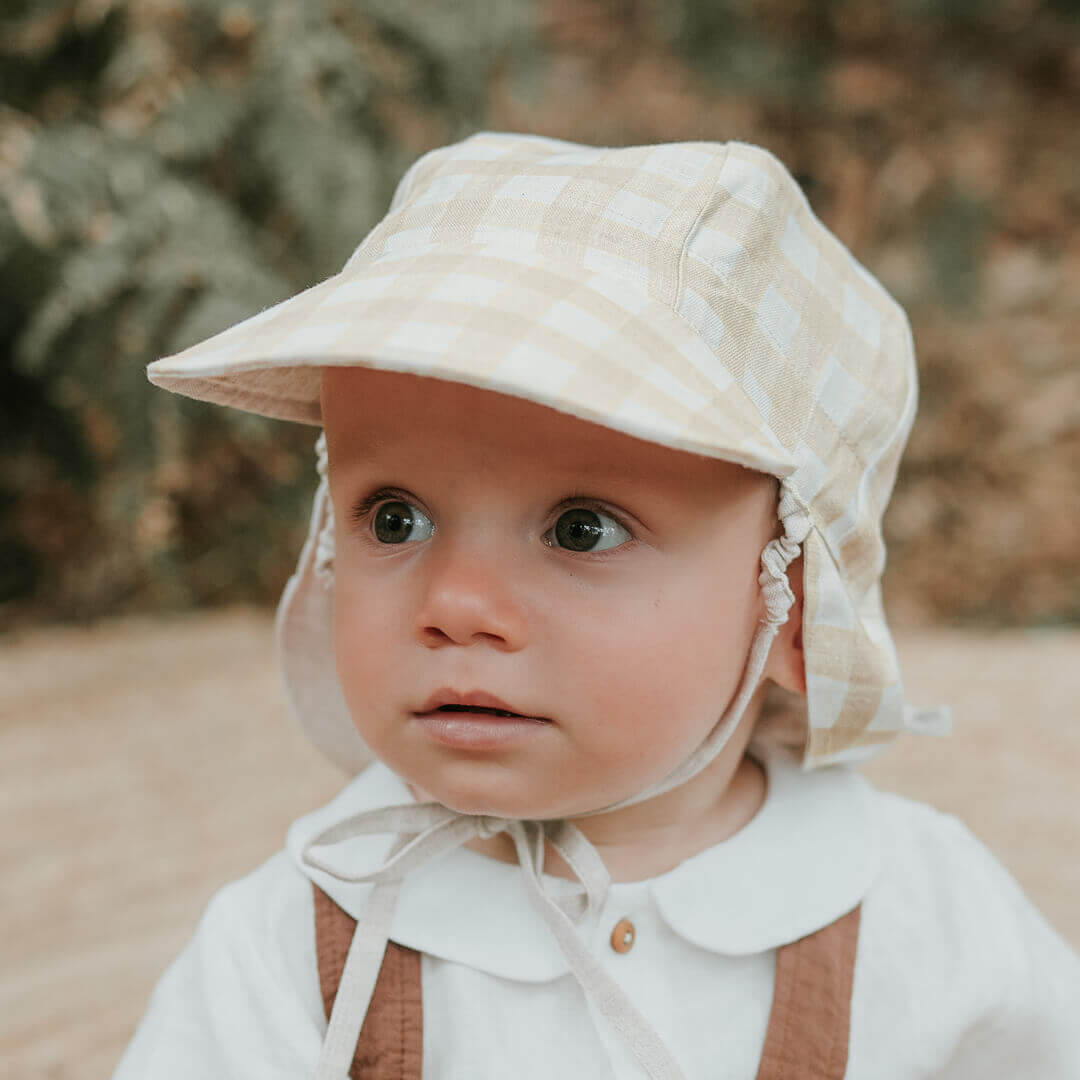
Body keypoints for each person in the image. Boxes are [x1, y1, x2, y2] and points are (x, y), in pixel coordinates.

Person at [112, 131, 1080, 1079]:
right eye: (395, 518)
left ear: (794, 606)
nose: (455, 605)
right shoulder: (297, 941)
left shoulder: (925, 925)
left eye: (583, 529)